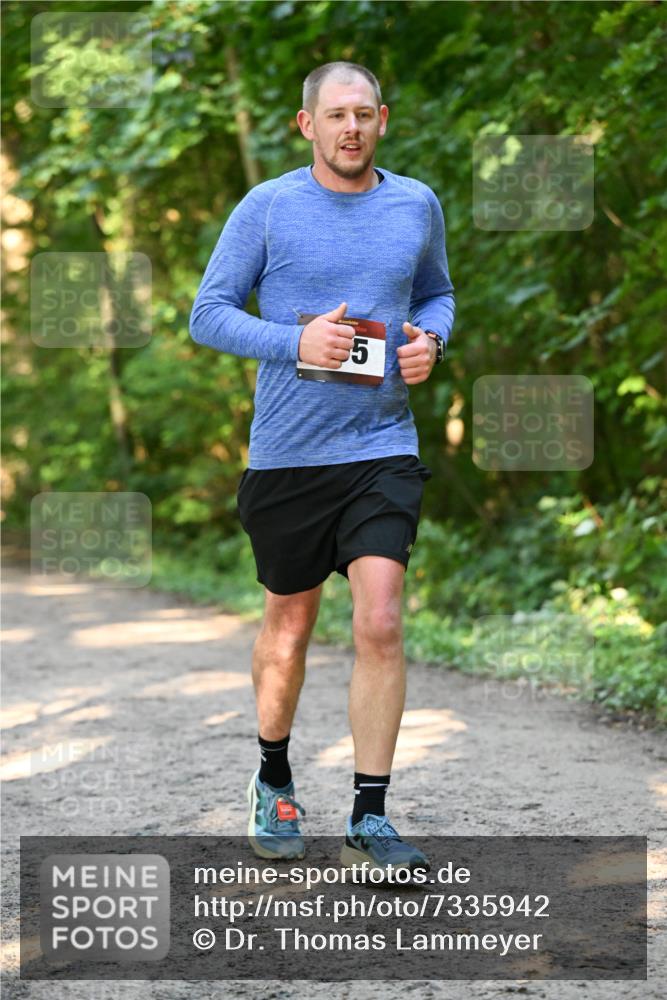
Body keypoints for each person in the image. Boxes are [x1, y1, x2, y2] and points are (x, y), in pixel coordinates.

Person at [190, 61, 455, 874]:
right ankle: (272, 777)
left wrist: (430, 342)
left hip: (381, 447)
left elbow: (436, 293)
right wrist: (292, 343)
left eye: (364, 114)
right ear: (307, 125)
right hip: (289, 456)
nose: (351, 127)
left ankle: (369, 814)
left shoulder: (414, 203)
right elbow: (208, 314)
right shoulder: (266, 207)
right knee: (289, 627)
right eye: (335, 115)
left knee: (379, 619)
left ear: (383, 119)